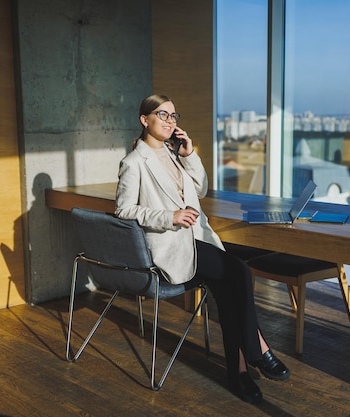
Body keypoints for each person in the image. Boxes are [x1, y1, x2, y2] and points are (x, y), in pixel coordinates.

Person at [115, 94, 290, 403]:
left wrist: (189, 154)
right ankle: (257, 349)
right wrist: (169, 217)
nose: (170, 121)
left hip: (197, 240)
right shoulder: (133, 162)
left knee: (226, 288)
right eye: (163, 115)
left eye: (173, 116)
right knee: (239, 270)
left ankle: (238, 375)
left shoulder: (173, 153)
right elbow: (124, 211)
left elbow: (201, 189)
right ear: (145, 120)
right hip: (171, 246)